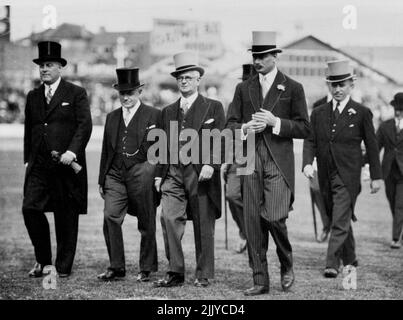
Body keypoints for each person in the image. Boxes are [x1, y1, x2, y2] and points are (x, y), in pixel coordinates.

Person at [226, 31, 310, 296]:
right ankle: (260, 280)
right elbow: (229, 125)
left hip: (277, 159)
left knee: (273, 216)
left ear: (275, 57)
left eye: (262, 56)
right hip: (248, 157)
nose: (257, 60)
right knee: (251, 221)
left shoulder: (293, 87)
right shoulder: (243, 88)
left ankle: (286, 263)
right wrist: (244, 128)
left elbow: (304, 128)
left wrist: (276, 123)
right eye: (255, 56)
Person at [303, 59, 382, 278]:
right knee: (338, 215)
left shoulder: (361, 113)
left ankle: (332, 263)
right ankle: (350, 257)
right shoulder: (318, 113)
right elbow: (310, 140)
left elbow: (373, 147)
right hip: (326, 175)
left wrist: (376, 176)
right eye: (334, 85)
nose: (338, 89)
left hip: (348, 176)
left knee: (338, 218)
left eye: (342, 85)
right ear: (328, 85)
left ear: (351, 85)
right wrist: (307, 163)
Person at [154, 51, 225, 288]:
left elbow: (222, 139)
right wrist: (158, 176)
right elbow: (161, 147)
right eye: (180, 78)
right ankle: (175, 270)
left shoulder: (213, 107)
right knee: (168, 217)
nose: (184, 81)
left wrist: (211, 164)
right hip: (172, 171)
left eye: (189, 77)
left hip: (200, 172)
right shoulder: (167, 112)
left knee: (204, 222)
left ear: (198, 80)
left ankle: (203, 273)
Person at [22, 41, 92, 277]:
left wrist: (72, 151)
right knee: (30, 208)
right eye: (41, 65)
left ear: (60, 67)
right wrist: (27, 160)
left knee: (65, 216)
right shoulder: (32, 96)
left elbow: (84, 125)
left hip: (65, 165)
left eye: (49, 65)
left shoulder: (76, 93)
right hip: (39, 166)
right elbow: (29, 129)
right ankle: (43, 260)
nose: (44, 69)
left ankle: (62, 267)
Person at [97, 68, 161, 281]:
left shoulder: (154, 115)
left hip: (142, 171)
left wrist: (155, 173)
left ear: (140, 91)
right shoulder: (112, 117)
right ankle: (116, 267)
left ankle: (146, 268)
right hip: (115, 174)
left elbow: (162, 149)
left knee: (146, 220)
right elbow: (106, 150)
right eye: (122, 93)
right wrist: (101, 179)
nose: (125, 97)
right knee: (110, 216)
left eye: (130, 92)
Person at [222, 64, 257, 254]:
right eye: (244, 83)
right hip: (238, 155)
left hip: (259, 156)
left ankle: (254, 233)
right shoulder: (234, 103)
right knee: (232, 195)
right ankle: (245, 231)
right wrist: (226, 160)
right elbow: (228, 131)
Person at [376, 92, 403, 249]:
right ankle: (399, 230)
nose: (398, 111)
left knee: (400, 204)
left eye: (401, 109)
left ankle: (395, 238)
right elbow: (375, 148)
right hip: (388, 172)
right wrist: (364, 163)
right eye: (396, 108)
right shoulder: (385, 126)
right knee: (393, 203)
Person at [309, 87, 333, 243]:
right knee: (316, 189)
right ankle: (326, 225)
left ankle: (334, 225)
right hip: (319, 158)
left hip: (340, 161)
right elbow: (311, 133)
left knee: (335, 196)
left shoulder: (352, 106)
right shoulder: (318, 105)